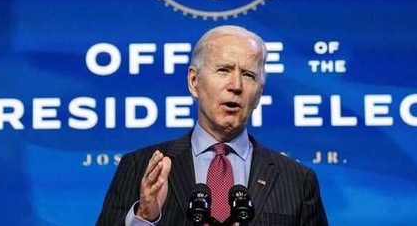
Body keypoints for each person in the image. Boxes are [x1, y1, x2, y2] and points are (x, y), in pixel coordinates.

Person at [95, 25, 328, 226]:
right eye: (224, 70)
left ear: (259, 94)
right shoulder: (139, 167)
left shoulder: (297, 181)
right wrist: (144, 216)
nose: (236, 85)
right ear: (194, 81)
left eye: (248, 75)